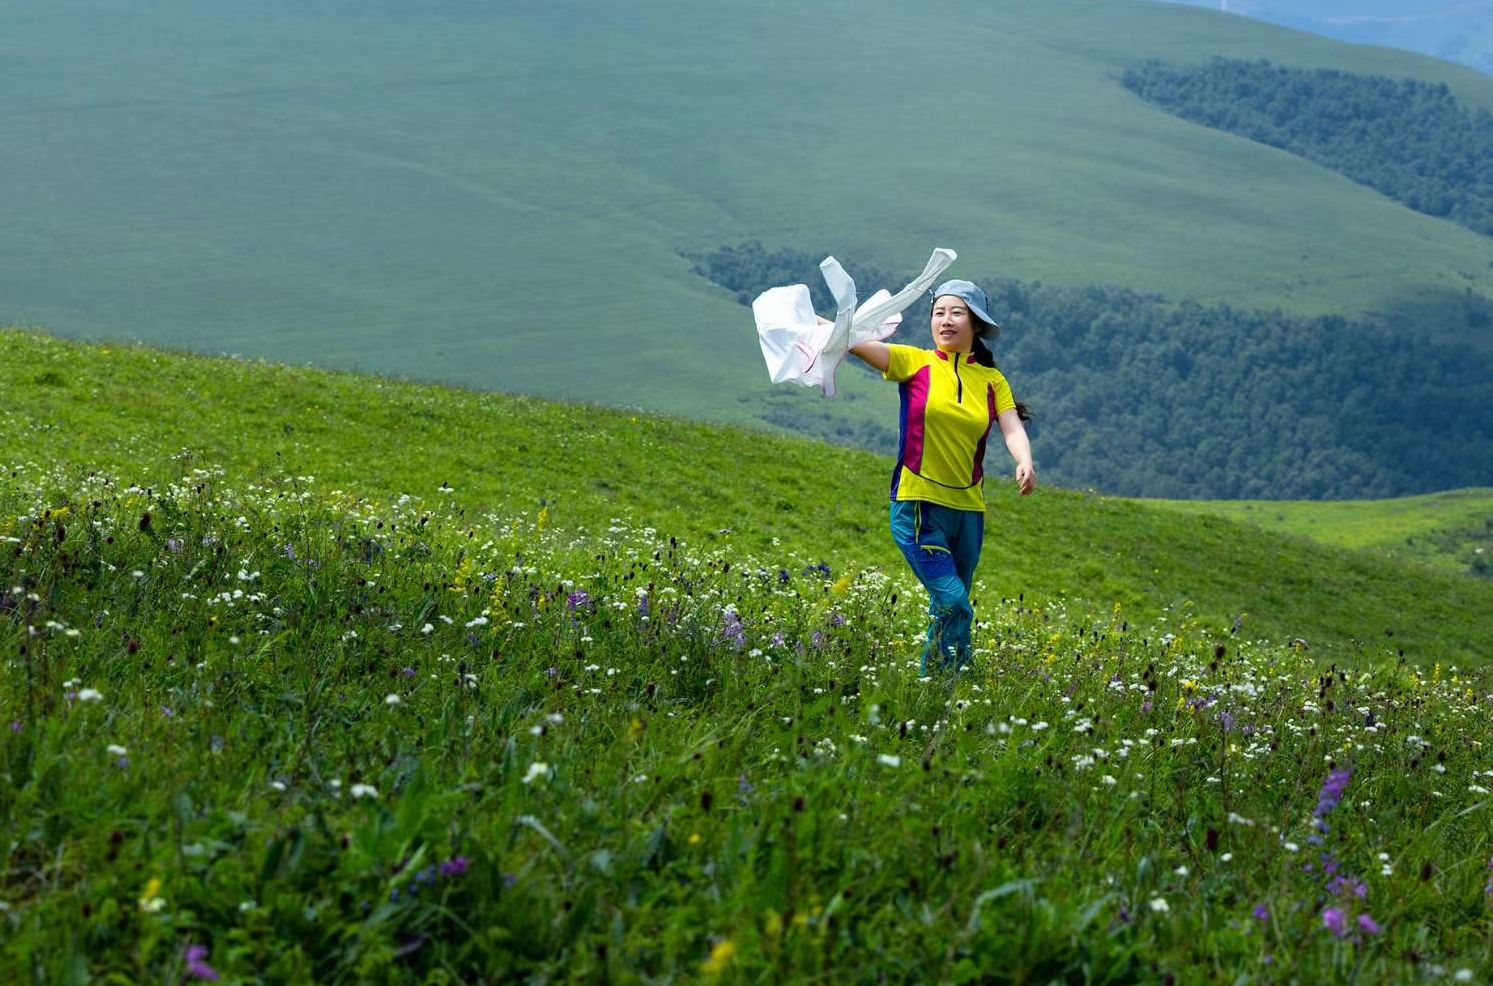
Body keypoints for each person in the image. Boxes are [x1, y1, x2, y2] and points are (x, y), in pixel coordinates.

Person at [848, 279, 1035, 674]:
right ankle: (956, 682)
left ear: (976, 324)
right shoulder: (915, 362)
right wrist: (811, 323)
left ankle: (935, 689)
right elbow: (852, 342)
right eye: (938, 313)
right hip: (919, 507)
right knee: (954, 603)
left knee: (948, 606)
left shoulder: (991, 381)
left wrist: (1025, 461)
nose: (945, 321)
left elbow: (1012, 426)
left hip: (968, 511)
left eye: (956, 313)